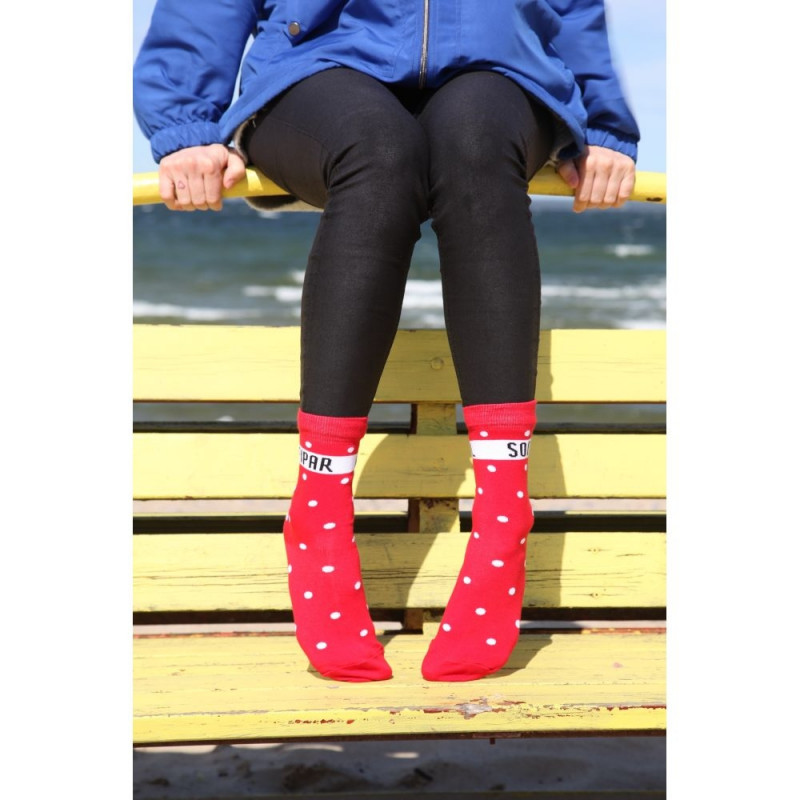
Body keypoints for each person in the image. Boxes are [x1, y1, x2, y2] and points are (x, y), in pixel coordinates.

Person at [134, 0, 639, 683]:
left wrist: (604, 127)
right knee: (379, 151)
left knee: (476, 139)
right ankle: (319, 510)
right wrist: (185, 121)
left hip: (502, 68)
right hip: (317, 62)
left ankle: (503, 515)